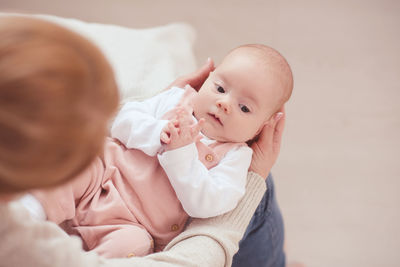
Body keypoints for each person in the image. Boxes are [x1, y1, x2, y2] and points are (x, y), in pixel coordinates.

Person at [0, 16, 286, 267]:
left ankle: (88, 254)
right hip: (104, 173)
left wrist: (180, 153)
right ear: (207, 78)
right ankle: (31, 210)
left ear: (260, 129)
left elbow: (207, 206)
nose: (224, 103)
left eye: (244, 108)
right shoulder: (177, 100)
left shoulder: (235, 156)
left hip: (134, 224)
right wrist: (157, 132)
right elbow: (124, 122)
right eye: (220, 88)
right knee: (72, 172)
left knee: (132, 246)